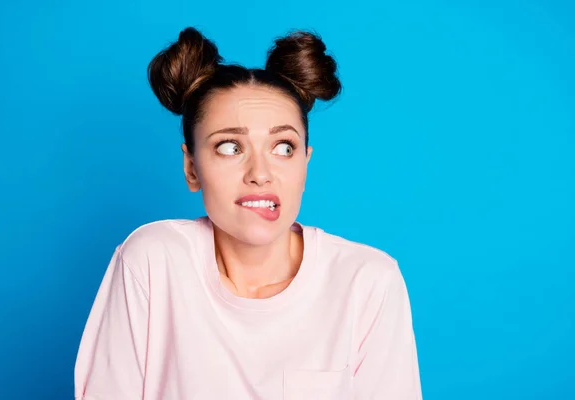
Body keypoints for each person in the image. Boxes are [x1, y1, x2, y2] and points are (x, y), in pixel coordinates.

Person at [74, 26, 422, 400]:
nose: (260, 174)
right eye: (229, 147)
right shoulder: (152, 261)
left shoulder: (367, 281)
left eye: (283, 148)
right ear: (192, 168)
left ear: (305, 164)